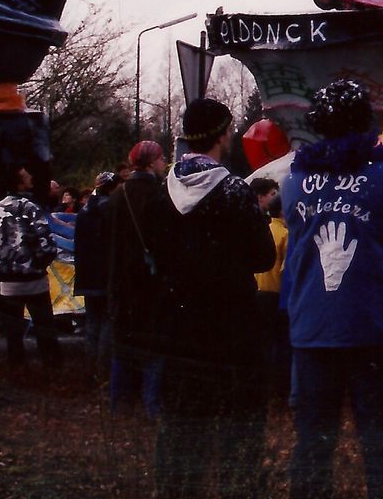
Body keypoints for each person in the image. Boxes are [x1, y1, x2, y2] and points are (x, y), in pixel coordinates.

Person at [283, 80, 383, 499]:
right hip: (375, 327)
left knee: (313, 442)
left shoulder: (294, 181)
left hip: (314, 327)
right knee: (380, 441)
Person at [141, 98, 275, 499]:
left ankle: (177, 488)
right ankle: (240, 488)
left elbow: (154, 252)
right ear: (221, 135)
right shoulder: (234, 191)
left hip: (179, 320)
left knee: (182, 417)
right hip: (232, 321)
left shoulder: (162, 192)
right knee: (240, 417)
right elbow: (263, 256)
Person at [106, 140, 168, 415]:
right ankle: (152, 404)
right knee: (154, 345)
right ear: (152, 162)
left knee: (123, 344)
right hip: (150, 281)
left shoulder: (117, 196)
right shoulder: (157, 195)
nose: (164, 163)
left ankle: (118, 401)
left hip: (121, 282)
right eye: (162, 158)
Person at [0, 163, 62, 366]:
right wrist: (41, 263)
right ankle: (52, 368)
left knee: (13, 333)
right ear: (19, 183)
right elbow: (45, 243)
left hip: (7, 281)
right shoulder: (30, 208)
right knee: (44, 327)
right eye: (26, 176)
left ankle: (17, 369)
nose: (31, 178)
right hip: (33, 277)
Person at [251, 176, 291, 403]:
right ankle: (279, 389)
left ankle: (263, 386)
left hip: (258, 292)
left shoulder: (265, 229)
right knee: (280, 343)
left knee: (264, 342)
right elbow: (288, 269)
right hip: (277, 294)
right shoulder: (286, 235)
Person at [74, 171, 117, 377]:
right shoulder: (110, 210)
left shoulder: (84, 211)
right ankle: (103, 368)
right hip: (105, 274)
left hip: (87, 274)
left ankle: (89, 366)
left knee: (92, 321)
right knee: (107, 320)